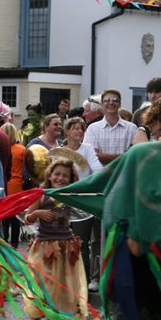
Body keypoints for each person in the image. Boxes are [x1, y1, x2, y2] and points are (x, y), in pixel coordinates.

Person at [24, 159, 88, 320]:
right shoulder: (41, 194)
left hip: (65, 249)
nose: (60, 178)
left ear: (70, 179)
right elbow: (27, 218)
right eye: (57, 174)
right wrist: (38, 214)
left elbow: (86, 206)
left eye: (65, 176)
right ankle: (36, 316)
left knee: (63, 291)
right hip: (43, 248)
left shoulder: (69, 195)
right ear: (49, 175)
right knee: (42, 287)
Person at [61, 116, 103, 287]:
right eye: (76, 128)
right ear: (67, 131)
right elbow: (50, 176)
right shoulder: (57, 151)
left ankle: (82, 285)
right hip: (62, 203)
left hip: (82, 203)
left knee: (81, 244)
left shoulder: (87, 148)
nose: (79, 131)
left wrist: (84, 184)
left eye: (82, 128)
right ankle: (63, 283)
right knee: (61, 244)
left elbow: (98, 170)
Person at [84, 89, 137, 166]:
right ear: (102, 104)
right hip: (100, 176)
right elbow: (91, 156)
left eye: (115, 100)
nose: (111, 103)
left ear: (120, 104)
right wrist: (124, 157)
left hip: (124, 176)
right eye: (107, 100)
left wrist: (103, 156)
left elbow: (134, 156)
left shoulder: (132, 128)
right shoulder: (92, 128)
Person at [1, 123, 26, 248]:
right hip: (17, 184)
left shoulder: (1, 148)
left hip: (5, 183)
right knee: (16, 216)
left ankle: (4, 239)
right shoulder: (21, 149)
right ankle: (14, 243)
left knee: (4, 215)